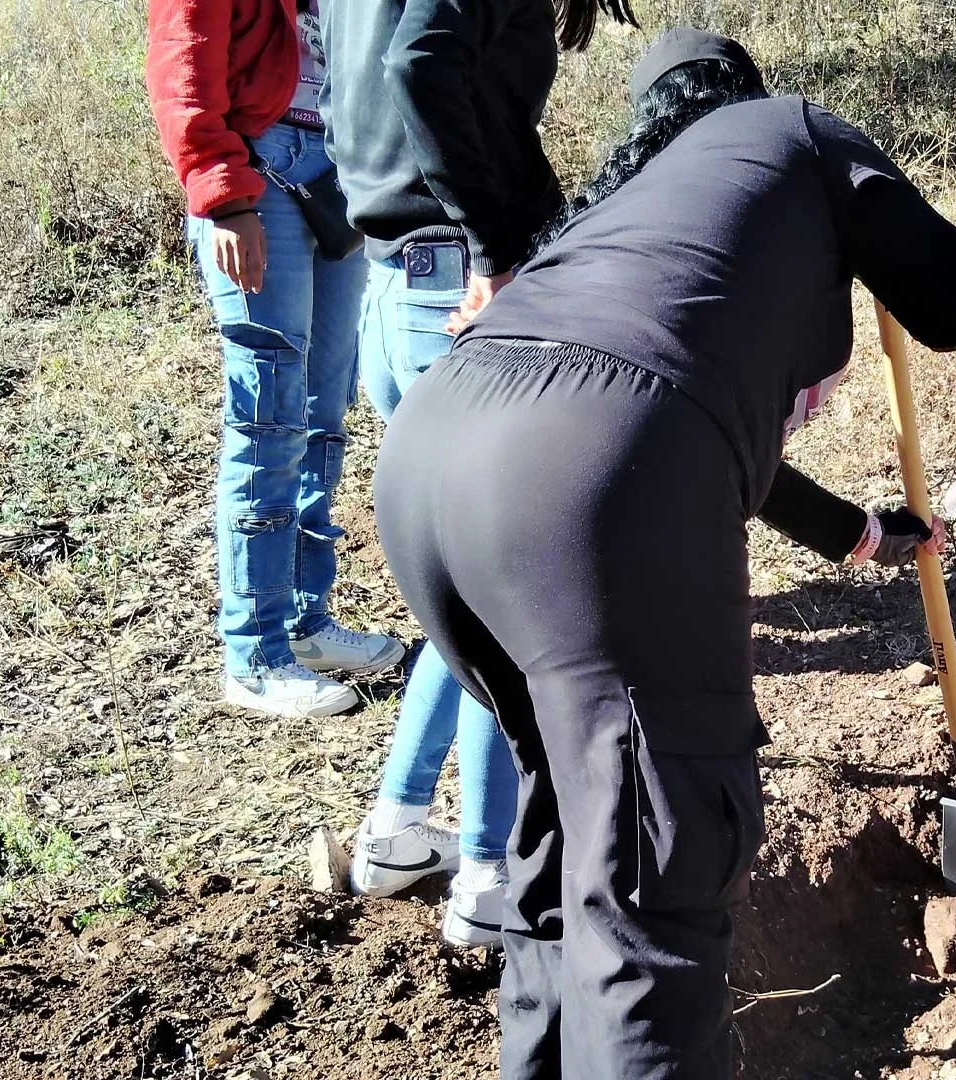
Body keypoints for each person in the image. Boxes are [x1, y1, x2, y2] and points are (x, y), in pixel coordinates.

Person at [372, 30, 956, 1078]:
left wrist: (863, 533)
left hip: (434, 463)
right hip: (587, 484)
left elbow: (680, 429)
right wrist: (876, 220)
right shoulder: (796, 135)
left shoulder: (625, 221)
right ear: (743, 95)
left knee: (568, 841)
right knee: (655, 875)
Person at [318, 0, 632, 947]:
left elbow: (369, 82)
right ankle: (493, 879)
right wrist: (497, 247)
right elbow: (420, 67)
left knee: (461, 599)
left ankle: (400, 831)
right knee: (507, 601)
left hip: (392, 278)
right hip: (452, 285)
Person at [147, 0, 405, 720]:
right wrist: (222, 196)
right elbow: (182, 64)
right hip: (259, 172)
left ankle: (304, 621)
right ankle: (254, 656)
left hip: (338, 170)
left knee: (325, 410)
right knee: (268, 418)